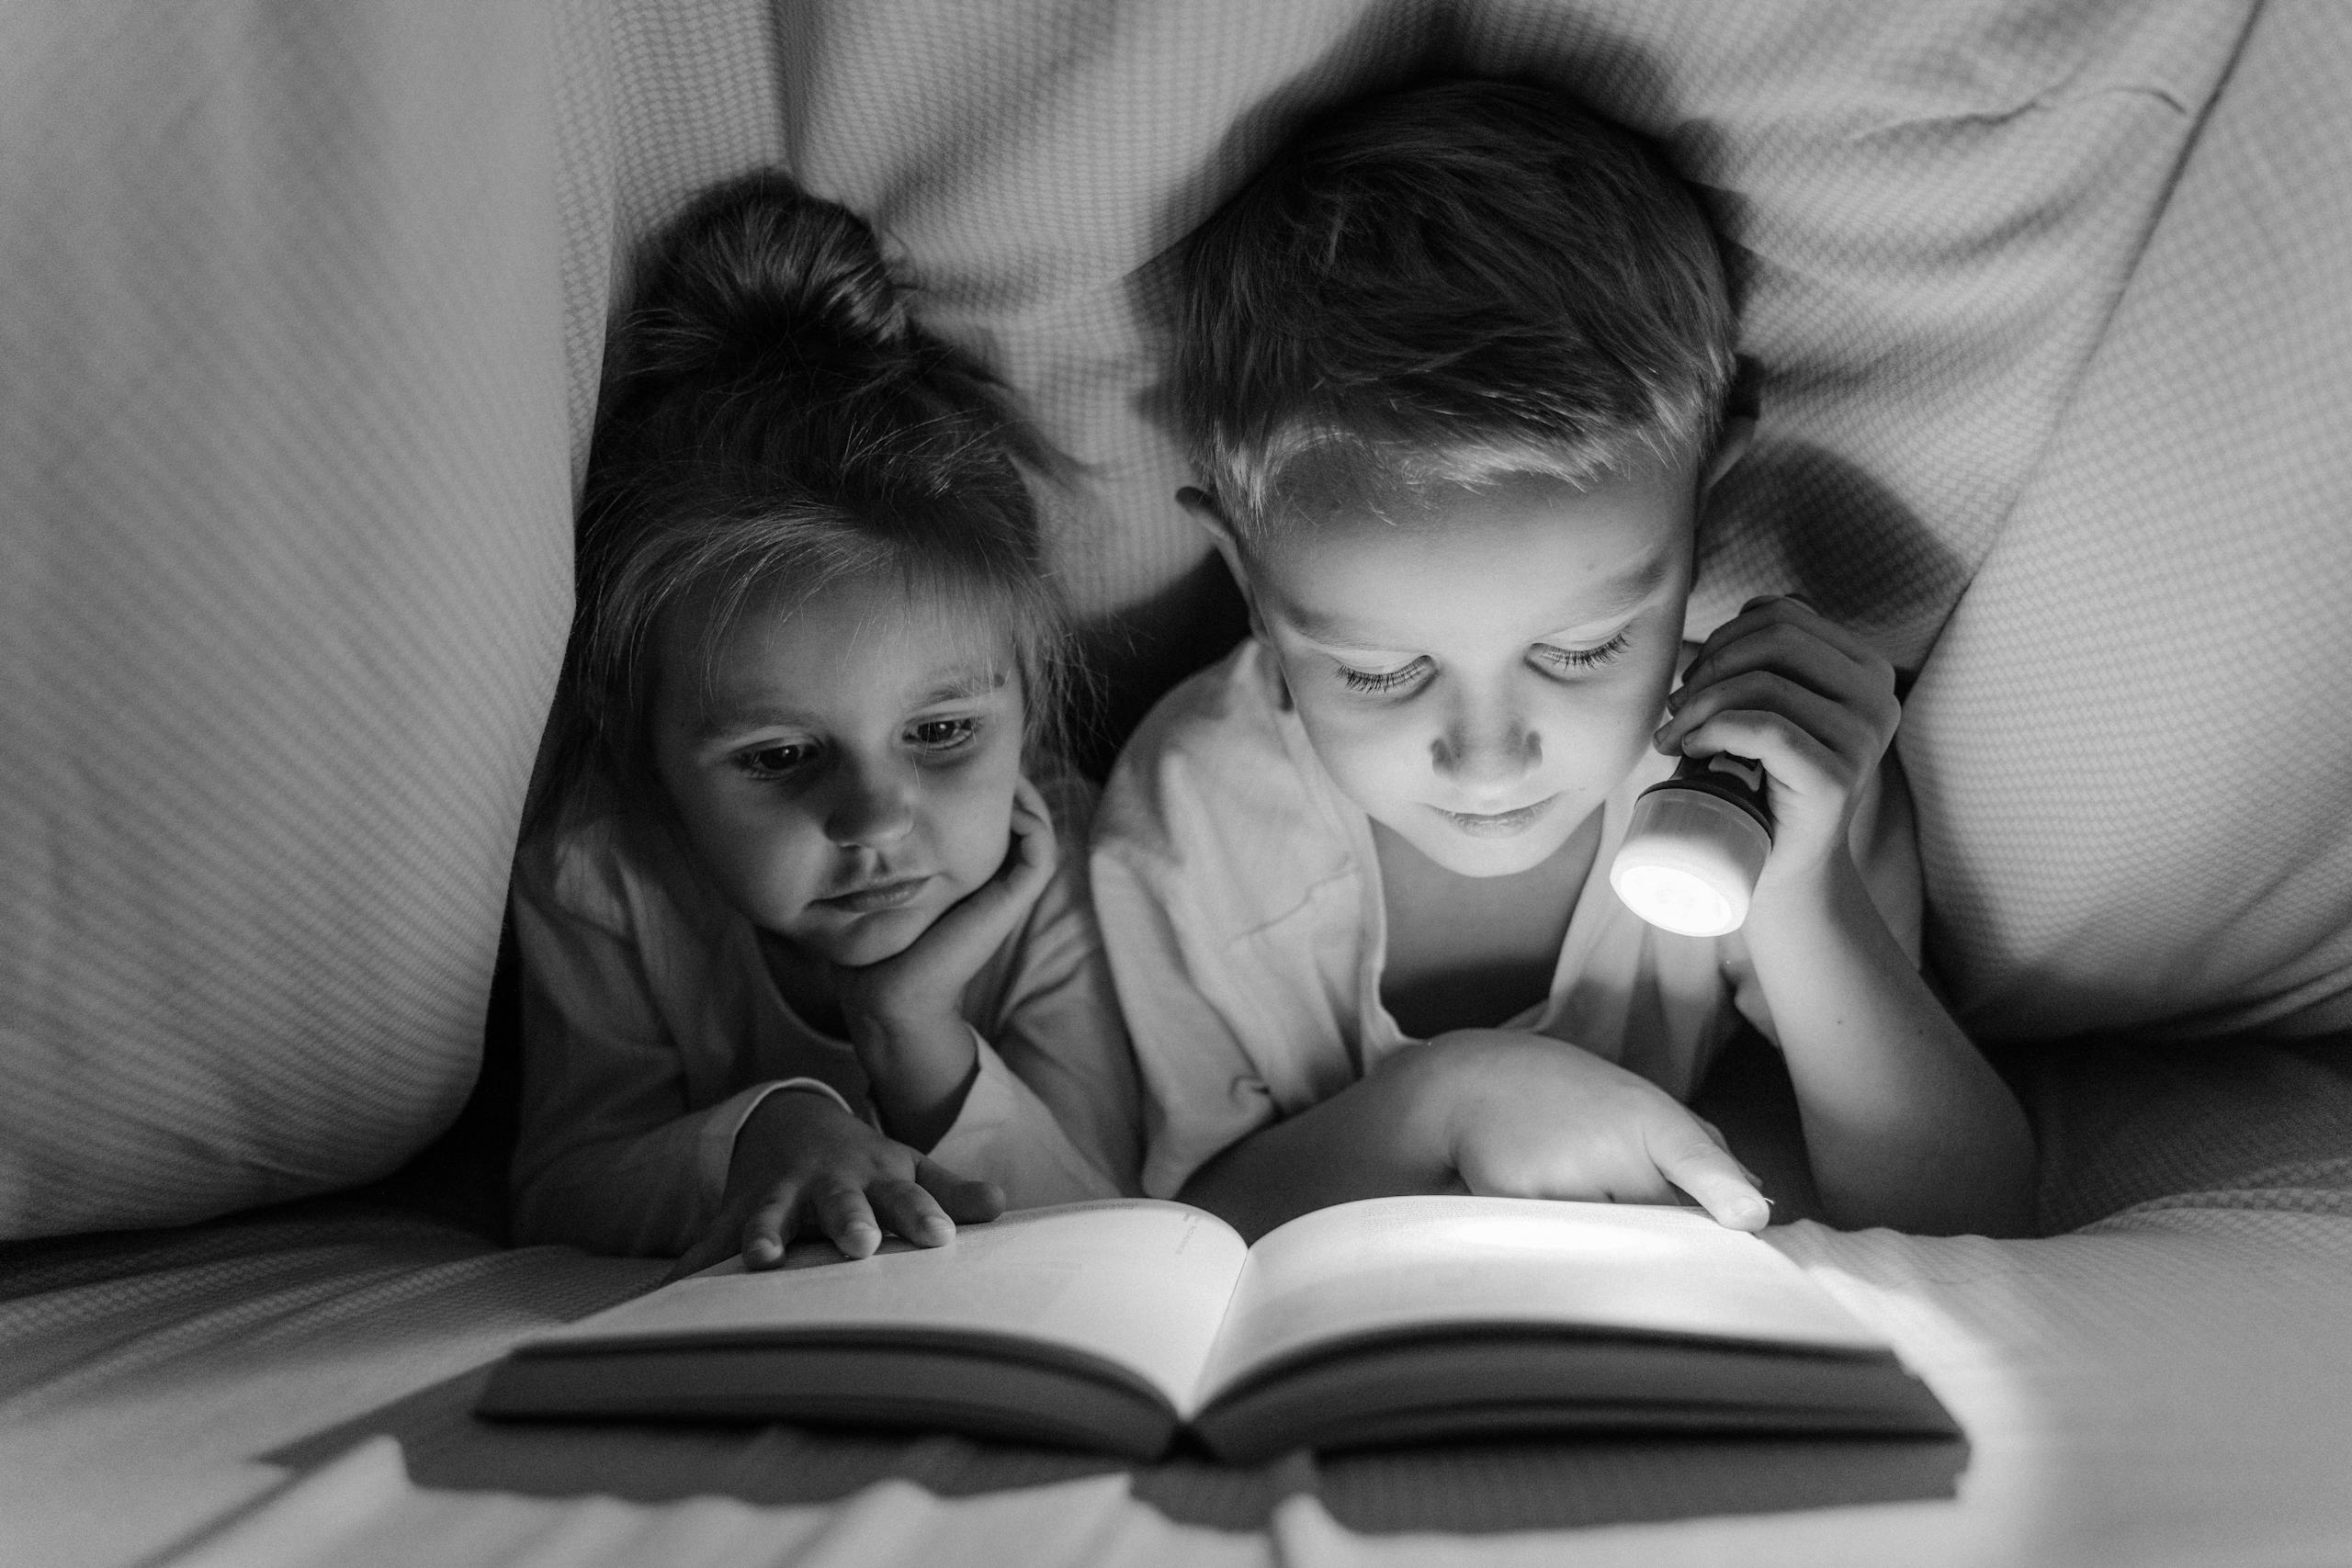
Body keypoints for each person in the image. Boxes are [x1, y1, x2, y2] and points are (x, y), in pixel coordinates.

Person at [1093, 80, 2033, 1241]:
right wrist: (1443, 1101)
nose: (1488, 761)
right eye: (1378, 672)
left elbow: (1968, 1215)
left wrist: (1802, 893)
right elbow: (1181, 1235)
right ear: (1246, 577)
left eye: (1585, 648)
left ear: (1703, 511)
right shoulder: (1192, 815)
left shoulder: (1765, 771)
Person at [511, 172, 1140, 1270]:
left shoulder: (1066, 862)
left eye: (940, 733)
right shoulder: (604, 878)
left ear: (1029, 706)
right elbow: (560, 1188)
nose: (874, 819)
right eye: (782, 755)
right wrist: (767, 1131)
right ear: (642, 749)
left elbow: (1105, 1217)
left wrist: (910, 1024)